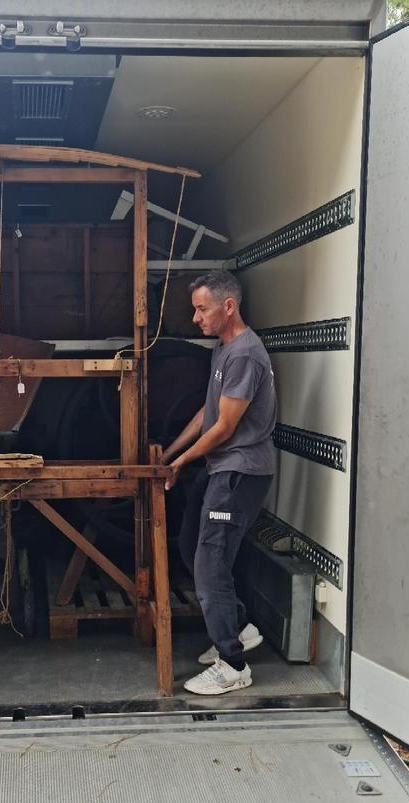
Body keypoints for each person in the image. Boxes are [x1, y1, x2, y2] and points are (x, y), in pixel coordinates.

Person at [161, 271, 276, 696]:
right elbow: (207, 414)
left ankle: (232, 663)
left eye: (201, 308)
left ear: (228, 307)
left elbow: (226, 427)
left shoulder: (245, 354)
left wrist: (180, 464)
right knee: (193, 547)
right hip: (220, 469)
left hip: (239, 472)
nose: (195, 318)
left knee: (210, 561)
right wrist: (171, 453)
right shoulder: (224, 350)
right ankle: (240, 628)